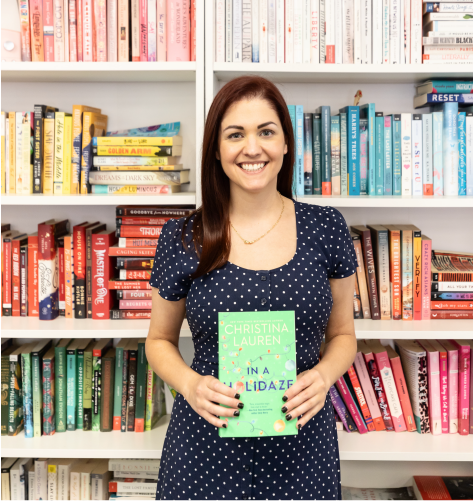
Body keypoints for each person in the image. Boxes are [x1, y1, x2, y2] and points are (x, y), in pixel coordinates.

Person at [146, 75, 358, 500]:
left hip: (302, 449)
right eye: (235, 134)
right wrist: (190, 385)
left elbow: (343, 336)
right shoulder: (181, 236)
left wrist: (323, 376)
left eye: (266, 131)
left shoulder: (327, 227)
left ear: (284, 143)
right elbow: (158, 341)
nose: (252, 148)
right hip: (204, 449)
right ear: (217, 150)